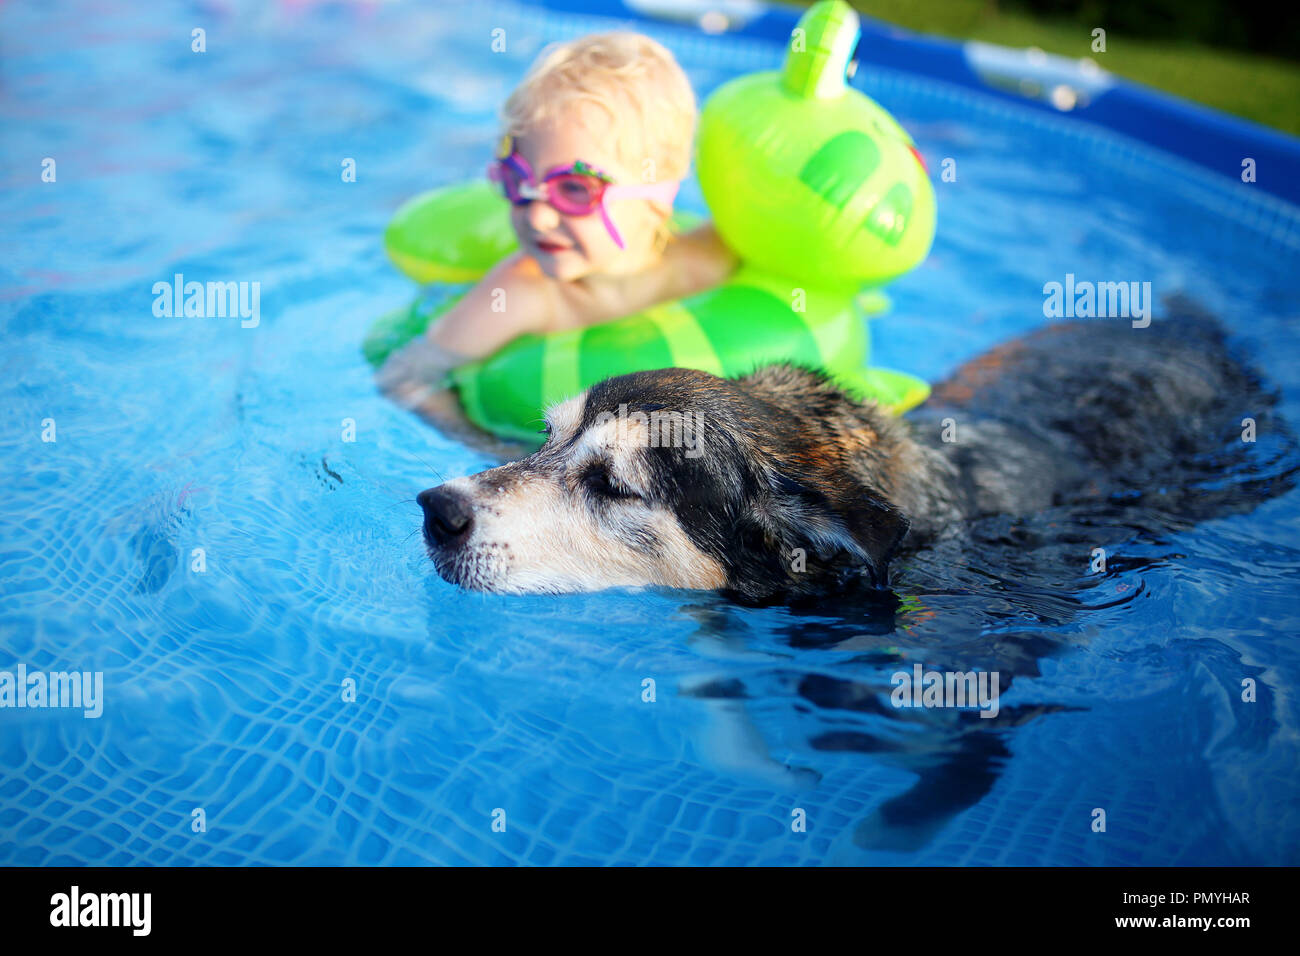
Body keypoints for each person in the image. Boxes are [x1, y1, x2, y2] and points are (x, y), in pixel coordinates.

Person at [377, 31, 737, 443]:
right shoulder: (520, 294)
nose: (539, 216)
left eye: (575, 188)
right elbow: (405, 376)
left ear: (659, 194)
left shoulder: (710, 260)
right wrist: (486, 445)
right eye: (519, 181)